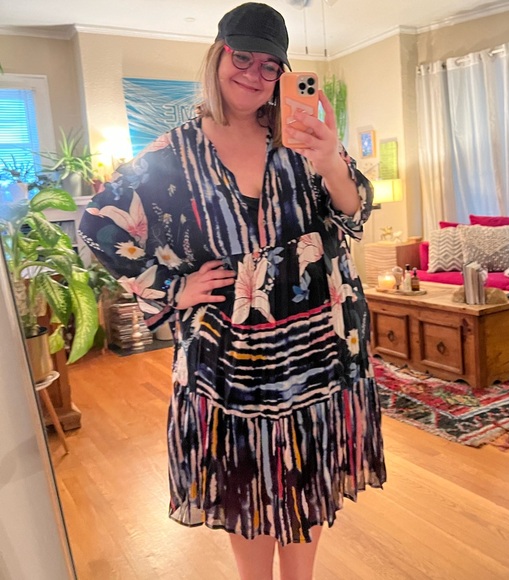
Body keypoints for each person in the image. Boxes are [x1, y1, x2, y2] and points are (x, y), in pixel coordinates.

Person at [79, 3, 386, 578]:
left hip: (319, 339)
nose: (253, 74)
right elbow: (98, 225)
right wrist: (174, 288)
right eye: (242, 57)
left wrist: (330, 161)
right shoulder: (170, 155)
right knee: (247, 477)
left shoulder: (301, 138)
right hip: (229, 355)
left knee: (307, 468)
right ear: (218, 56)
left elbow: (354, 212)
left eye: (270, 65)